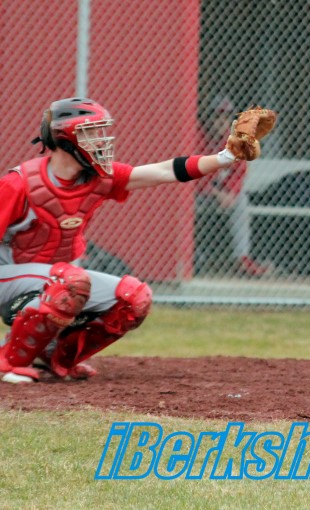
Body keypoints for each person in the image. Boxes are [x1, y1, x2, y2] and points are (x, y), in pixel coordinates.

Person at [0, 97, 272, 383]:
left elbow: (164, 171)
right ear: (64, 138)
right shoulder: (19, 184)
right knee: (70, 281)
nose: (101, 139)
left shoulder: (98, 177)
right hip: (7, 277)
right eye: (90, 132)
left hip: (52, 279)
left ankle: (57, 357)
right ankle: (8, 362)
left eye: (100, 131)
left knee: (134, 299)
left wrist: (224, 158)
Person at [195, 96, 271, 276]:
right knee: (185, 202)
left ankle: (242, 259)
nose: (221, 121)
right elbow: (194, 172)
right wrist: (215, 192)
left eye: (226, 117)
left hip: (218, 194)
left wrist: (231, 192)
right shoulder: (197, 136)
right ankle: (191, 255)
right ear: (209, 118)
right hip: (197, 194)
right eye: (217, 116)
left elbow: (239, 170)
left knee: (241, 200)